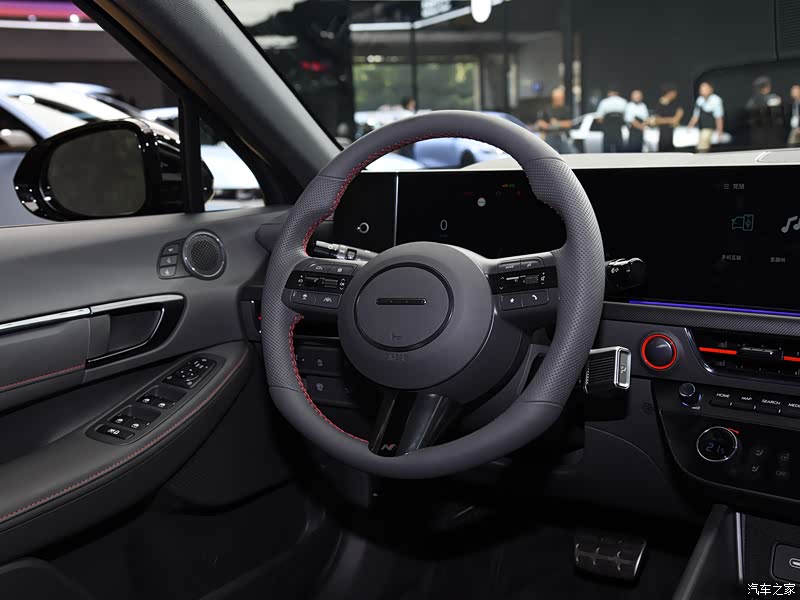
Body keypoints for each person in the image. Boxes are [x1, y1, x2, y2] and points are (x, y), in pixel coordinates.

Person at [745, 76, 784, 149]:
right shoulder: (773, 98)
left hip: (758, 134)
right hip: (770, 133)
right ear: (766, 87)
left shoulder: (752, 101)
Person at [687, 82, 724, 152]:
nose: (703, 90)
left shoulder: (716, 100)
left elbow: (719, 118)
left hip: (710, 128)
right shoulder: (699, 100)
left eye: (705, 88)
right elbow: (696, 116)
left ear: (711, 89)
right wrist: (690, 126)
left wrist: (720, 132)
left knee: (703, 145)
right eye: (701, 88)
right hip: (701, 128)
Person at [535, 86, 573, 153]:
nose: (561, 100)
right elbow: (540, 123)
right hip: (549, 135)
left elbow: (569, 123)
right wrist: (548, 126)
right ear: (554, 98)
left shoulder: (565, 109)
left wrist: (557, 123)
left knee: (567, 153)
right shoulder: (547, 109)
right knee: (546, 152)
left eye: (562, 98)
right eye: (559, 98)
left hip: (561, 135)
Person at [651, 83, 684, 152]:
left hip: (671, 135)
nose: (675, 94)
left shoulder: (675, 103)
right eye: (674, 92)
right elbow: (656, 120)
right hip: (663, 136)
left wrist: (676, 118)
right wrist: (670, 120)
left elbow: (680, 112)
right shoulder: (659, 104)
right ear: (669, 93)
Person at [595, 85, 628, 153]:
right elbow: (626, 118)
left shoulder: (604, 102)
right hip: (618, 130)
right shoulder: (623, 102)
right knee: (619, 150)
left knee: (607, 151)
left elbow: (599, 119)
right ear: (617, 93)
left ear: (609, 93)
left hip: (607, 130)